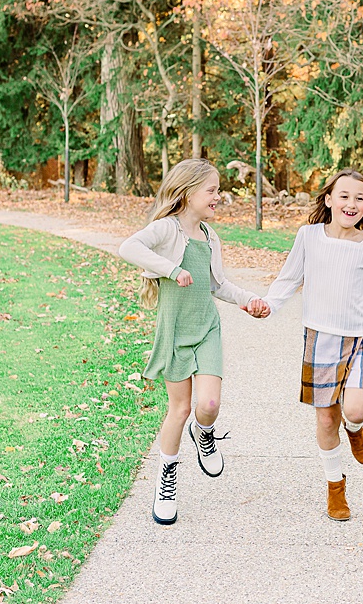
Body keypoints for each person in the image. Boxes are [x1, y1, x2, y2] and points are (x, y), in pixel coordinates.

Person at [119, 158, 269, 525]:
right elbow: (128, 247)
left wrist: (248, 299)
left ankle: (205, 434)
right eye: (212, 190)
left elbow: (218, 284)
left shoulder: (210, 236)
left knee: (210, 403)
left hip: (206, 329)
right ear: (187, 192)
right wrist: (171, 269)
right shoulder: (166, 229)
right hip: (174, 331)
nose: (219, 196)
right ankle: (166, 480)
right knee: (179, 409)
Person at [260, 168, 363, 521]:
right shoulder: (309, 236)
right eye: (344, 196)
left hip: (357, 339)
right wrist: (269, 304)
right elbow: (289, 278)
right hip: (319, 340)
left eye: (360, 197)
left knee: (354, 410)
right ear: (328, 200)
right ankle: (335, 487)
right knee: (327, 420)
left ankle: (356, 430)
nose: (351, 203)